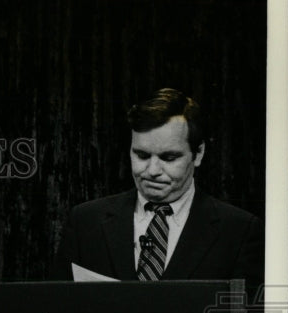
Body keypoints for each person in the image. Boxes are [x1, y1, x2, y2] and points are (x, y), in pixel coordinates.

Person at [53, 88, 264, 289]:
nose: (152, 170)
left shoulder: (239, 232)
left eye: (169, 157)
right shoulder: (85, 222)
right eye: (142, 155)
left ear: (198, 154)